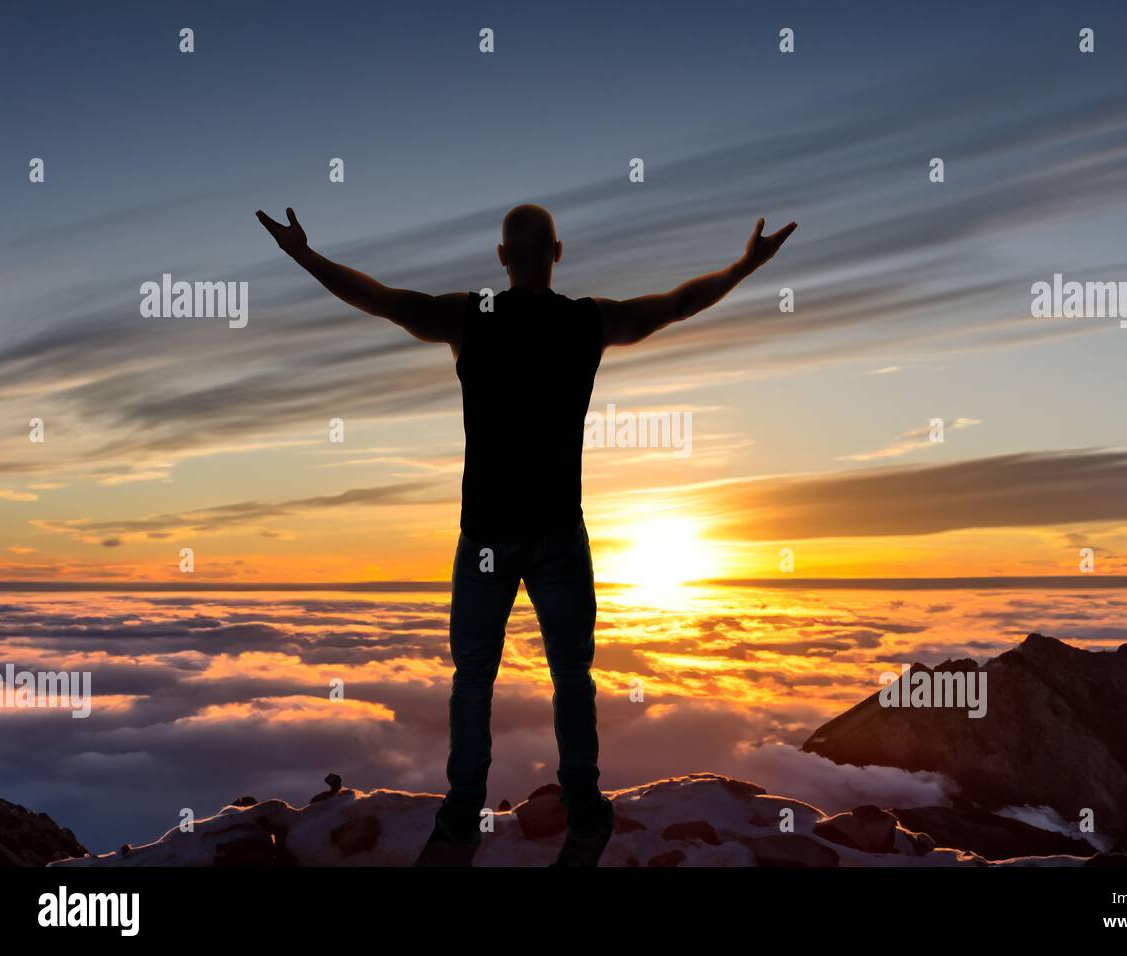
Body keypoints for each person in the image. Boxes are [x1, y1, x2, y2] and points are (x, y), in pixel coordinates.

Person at [256, 203, 796, 865]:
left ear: (502, 256)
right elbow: (679, 303)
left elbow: (378, 298)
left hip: (484, 534)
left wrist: (304, 256)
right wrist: (746, 265)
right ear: (558, 253)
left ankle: (459, 822)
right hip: (557, 533)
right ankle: (584, 813)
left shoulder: (468, 316)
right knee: (572, 678)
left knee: (473, 681)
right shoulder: (586, 320)